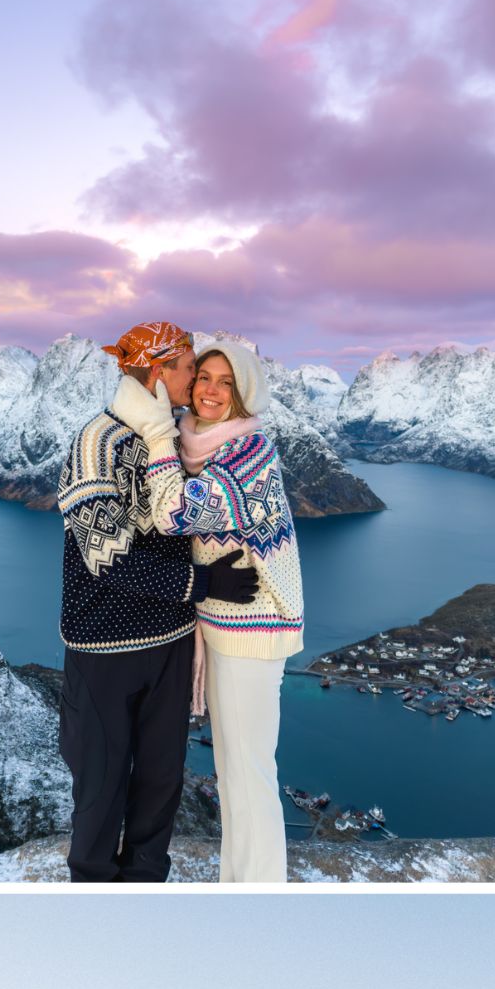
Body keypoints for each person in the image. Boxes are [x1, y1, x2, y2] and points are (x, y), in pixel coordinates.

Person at [57, 321, 261, 883]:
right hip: (103, 647)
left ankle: (147, 885)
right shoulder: (96, 442)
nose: (196, 381)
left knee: (161, 778)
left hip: (170, 642)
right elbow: (106, 555)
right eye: (189, 369)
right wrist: (202, 584)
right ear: (158, 373)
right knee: (99, 782)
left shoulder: (171, 439)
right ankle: (94, 891)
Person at [104, 339, 304, 884]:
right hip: (220, 623)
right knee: (232, 771)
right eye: (205, 378)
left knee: (249, 772)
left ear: (244, 394)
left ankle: (259, 894)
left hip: (252, 629)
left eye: (226, 382)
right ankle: (238, 886)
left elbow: (175, 513)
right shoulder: (200, 443)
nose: (211, 390)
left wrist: (155, 432)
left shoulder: (248, 451)